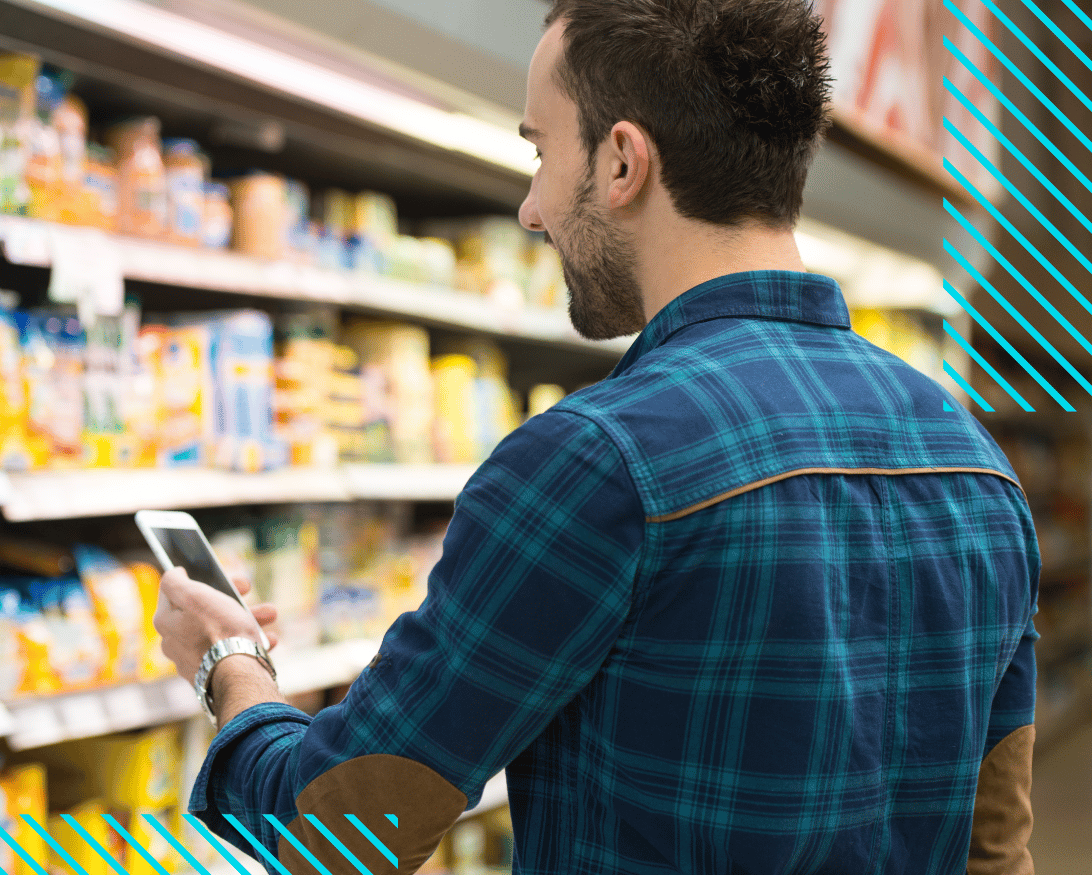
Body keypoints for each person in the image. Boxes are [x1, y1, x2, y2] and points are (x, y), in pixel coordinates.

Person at [153, 1, 1041, 872]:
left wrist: (230, 665)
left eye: (539, 151)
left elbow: (333, 834)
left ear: (622, 162)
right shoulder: (979, 468)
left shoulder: (595, 462)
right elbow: (998, 849)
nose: (531, 210)